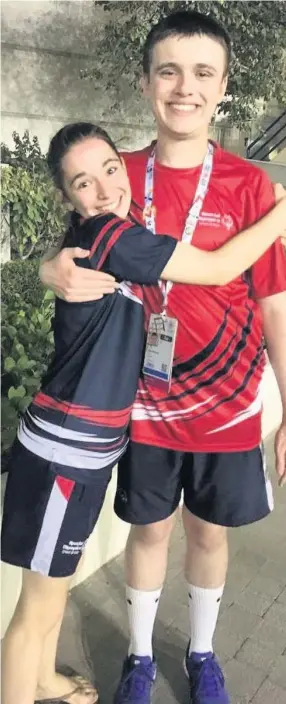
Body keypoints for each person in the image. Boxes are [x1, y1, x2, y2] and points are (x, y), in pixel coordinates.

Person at [39, 10, 286, 704]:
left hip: (229, 402)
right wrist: (47, 269)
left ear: (224, 86)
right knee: (148, 530)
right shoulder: (117, 174)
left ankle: (204, 654)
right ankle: (141, 659)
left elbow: (273, 303)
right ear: (146, 81)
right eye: (169, 70)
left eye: (203, 72)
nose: (185, 87)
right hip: (143, 402)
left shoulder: (248, 185)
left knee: (208, 534)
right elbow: (72, 240)